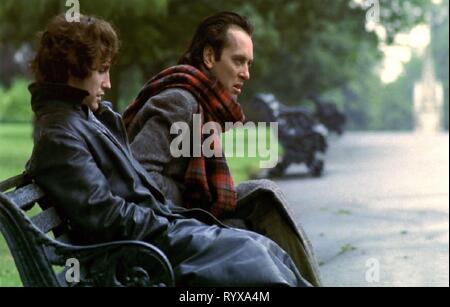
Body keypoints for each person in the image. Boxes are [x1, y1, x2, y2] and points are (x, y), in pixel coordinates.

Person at [26, 13, 311, 287]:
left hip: (151, 237)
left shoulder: (83, 119)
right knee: (254, 253)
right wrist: (176, 221)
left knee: (262, 246)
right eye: (101, 70)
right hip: (141, 255)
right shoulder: (61, 135)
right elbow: (109, 215)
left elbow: (127, 192)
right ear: (73, 68)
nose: (109, 82)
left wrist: (179, 220)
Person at [123, 12, 321, 286]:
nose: (246, 73)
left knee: (266, 196)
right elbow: (137, 180)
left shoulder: (201, 101)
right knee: (258, 226)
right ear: (208, 56)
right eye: (238, 61)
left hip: (182, 218)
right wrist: (195, 199)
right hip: (163, 234)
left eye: (249, 63)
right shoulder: (180, 102)